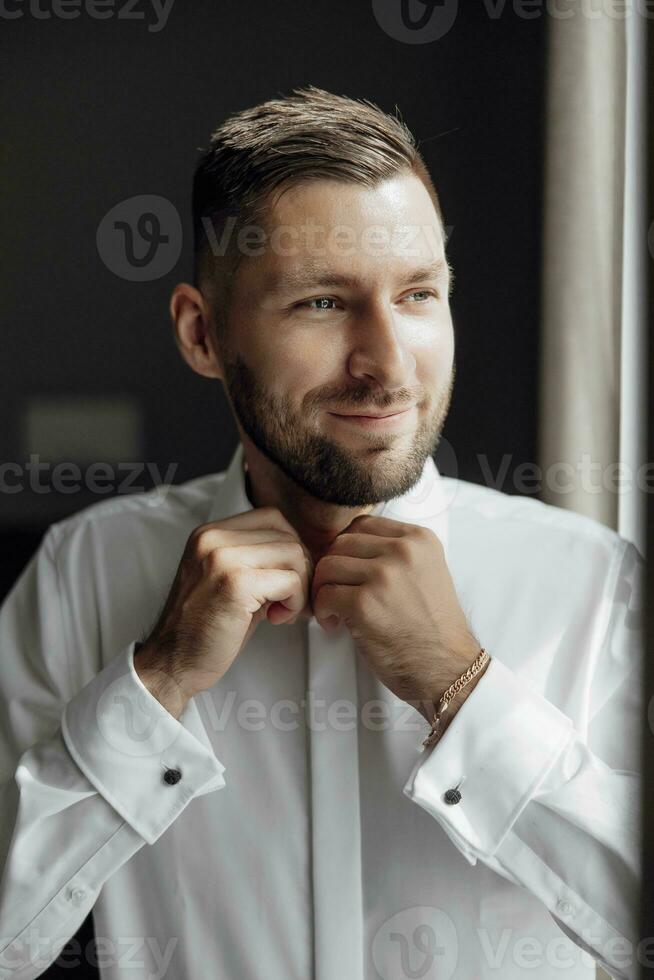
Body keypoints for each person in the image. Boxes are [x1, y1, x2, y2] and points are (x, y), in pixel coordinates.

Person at [0, 86, 643, 980]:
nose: (386, 363)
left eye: (418, 294)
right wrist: (156, 684)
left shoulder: (592, 585)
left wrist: (466, 692)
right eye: (323, 304)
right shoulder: (84, 573)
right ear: (202, 333)